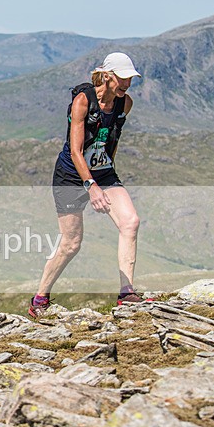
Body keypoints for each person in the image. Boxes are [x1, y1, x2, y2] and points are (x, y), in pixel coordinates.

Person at [29, 52, 148, 317]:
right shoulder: (83, 100)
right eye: (122, 78)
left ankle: (126, 293)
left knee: (130, 222)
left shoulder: (125, 103)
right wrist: (90, 186)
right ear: (107, 75)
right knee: (71, 244)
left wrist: (106, 176)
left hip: (103, 173)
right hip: (71, 177)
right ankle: (40, 298)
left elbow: (111, 139)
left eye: (130, 79)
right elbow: (75, 150)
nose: (127, 83)